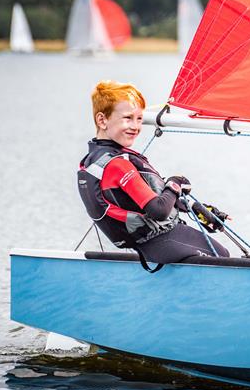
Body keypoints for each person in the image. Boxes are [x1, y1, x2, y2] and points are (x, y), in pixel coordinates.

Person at [77, 80, 229, 267]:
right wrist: (175, 183)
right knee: (223, 256)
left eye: (139, 119)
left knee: (218, 256)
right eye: (127, 118)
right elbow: (158, 210)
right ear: (102, 120)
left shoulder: (96, 160)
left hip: (150, 244)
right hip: (160, 241)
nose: (135, 126)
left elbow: (137, 200)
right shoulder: (117, 164)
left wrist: (194, 208)